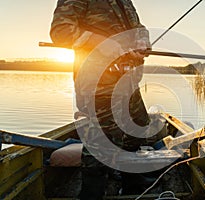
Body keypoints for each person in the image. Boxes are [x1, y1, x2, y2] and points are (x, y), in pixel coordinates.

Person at [50, 0, 158, 199]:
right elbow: (60, 31)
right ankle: (92, 193)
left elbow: (138, 28)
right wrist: (101, 43)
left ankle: (133, 186)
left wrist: (143, 40)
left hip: (128, 82)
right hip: (98, 85)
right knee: (102, 143)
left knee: (137, 130)